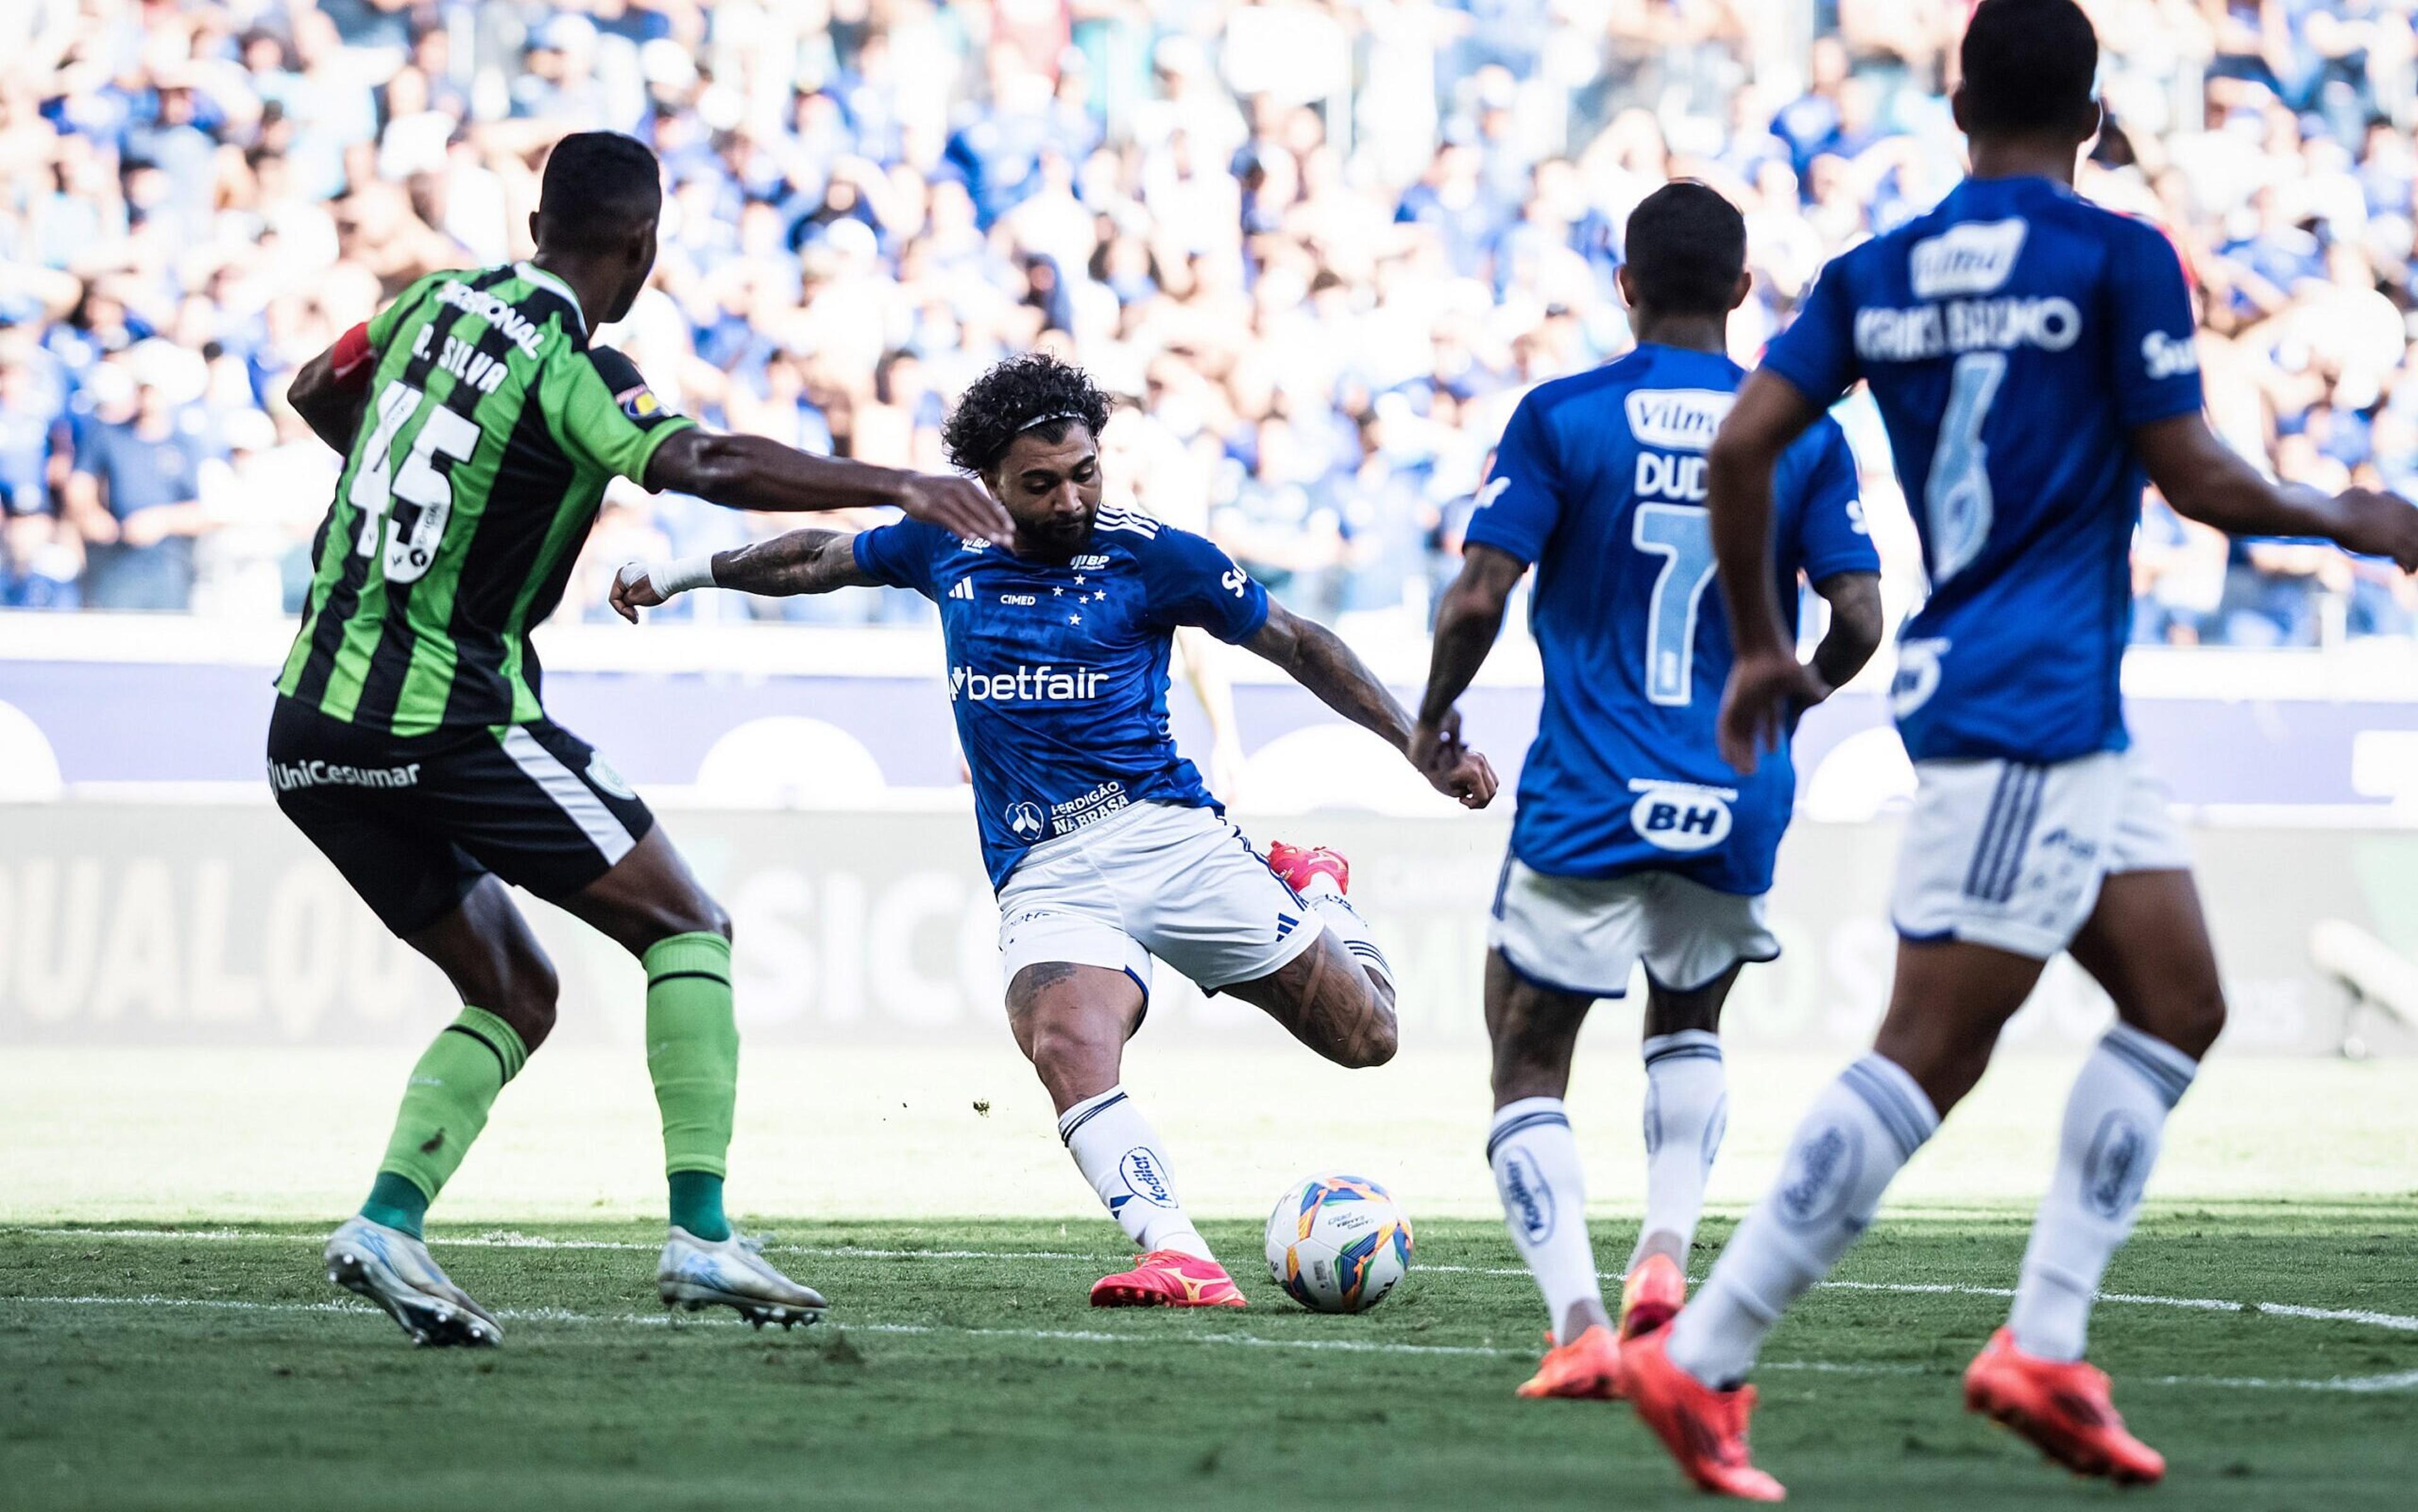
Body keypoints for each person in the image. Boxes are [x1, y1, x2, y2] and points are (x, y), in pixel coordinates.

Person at [1620, 1, 2418, 1498]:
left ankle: (2044, 1341)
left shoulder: (1878, 271)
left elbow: (1741, 448)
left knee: (2179, 1003)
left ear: (1956, 103)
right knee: (1930, 1049)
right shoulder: (2121, 255)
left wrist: (1758, 644)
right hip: (2026, 702)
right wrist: (2351, 516)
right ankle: (1705, 1350)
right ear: (2098, 115)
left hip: (2053, 710)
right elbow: (2189, 473)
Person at [273, 130, 1013, 1348]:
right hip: (448, 716)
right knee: (690, 925)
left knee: (513, 988)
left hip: (309, 727)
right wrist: (900, 483)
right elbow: (703, 459)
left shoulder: (424, 307)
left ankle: (389, 1220)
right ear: (643, 247)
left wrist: (405, 474)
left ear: (533, 228)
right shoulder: (581, 366)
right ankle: (704, 1235)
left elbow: (313, 388)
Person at [613, 351, 1500, 1307]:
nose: (1071, 498)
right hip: (1043, 867)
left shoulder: (1159, 557)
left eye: (1085, 472)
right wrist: (675, 572)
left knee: (1369, 1039)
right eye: (1041, 483)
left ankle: (1317, 881)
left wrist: (1419, 740)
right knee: (1062, 1040)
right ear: (989, 482)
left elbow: (1299, 642)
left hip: (1166, 834)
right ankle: (1179, 1253)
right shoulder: (942, 540)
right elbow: (816, 560)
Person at [1412, 181, 1883, 1404]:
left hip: (1587, 791)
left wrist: (1431, 715)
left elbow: (1476, 596)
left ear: (1624, 287)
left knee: (1528, 1060)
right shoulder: (1803, 430)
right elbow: (1861, 616)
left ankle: (1578, 1324)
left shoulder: (1563, 416)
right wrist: (1794, 694)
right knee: (1689, 1025)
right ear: (1741, 291)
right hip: (1735, 784)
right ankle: (1663, 1257)